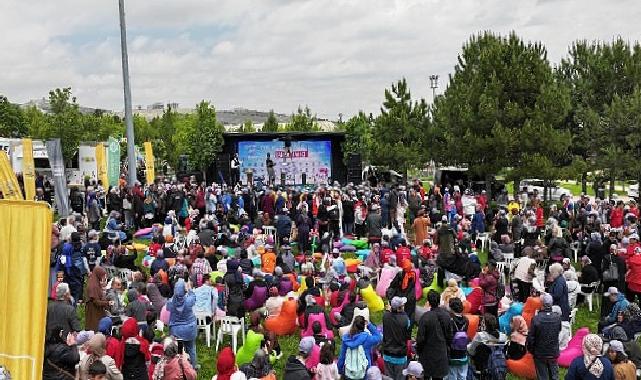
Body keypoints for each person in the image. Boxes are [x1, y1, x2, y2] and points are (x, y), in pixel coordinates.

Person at [416, 290, 452, 380]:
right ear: (439, 300)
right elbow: (450, 336)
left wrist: (418, 351)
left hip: (427, 353)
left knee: (426, 375)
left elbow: (420, 338)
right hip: (441, 352)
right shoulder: (446, 316)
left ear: (428, 302)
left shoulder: (425, 317)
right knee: (439, 377)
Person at [527, 293, 562, 380]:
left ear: (541, 304)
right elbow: (558, 330)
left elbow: (531, 338)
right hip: (553, 351)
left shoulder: (536, 319)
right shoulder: (557, 318)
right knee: (554, 376)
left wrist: (531, 350)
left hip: (540, 353)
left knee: (543, 376)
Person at [166, 279, 198, 367]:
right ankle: (194, 366)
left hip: (176, 331)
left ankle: (181, 368)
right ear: (184, 291)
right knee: (191, 348)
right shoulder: (188, 301)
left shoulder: (171, 302)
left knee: (179, 350)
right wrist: (189, 288)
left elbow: (167, 308)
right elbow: (194, 297)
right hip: (189, 329)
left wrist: (175, 295)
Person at [382, 296, 411, 380]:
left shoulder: (385, 316)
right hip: (400, 356)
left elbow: (388, 314)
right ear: (400, 307)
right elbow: (407, 327)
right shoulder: (405, 319)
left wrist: (388, 310)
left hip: (387, 353)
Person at [386, 259, 417, 325]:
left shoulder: (400, 274)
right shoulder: (413, 274)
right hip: (409, 298)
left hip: (401, 297)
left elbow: (393, 285)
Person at [448, 297, 469, 380]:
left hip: (452, 352)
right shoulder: (466, 320)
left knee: (452, 374)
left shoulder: (450, 320)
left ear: (451, 307)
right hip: (463, 350)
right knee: (462, 375)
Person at [85, 266, 110, 331]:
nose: (103, 277)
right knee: (94, 327)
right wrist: (107, 303)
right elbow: (96, 301)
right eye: (102, 275)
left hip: (95, 310)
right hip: (94, 311)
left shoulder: (95, 282)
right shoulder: (93, 285)